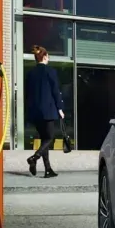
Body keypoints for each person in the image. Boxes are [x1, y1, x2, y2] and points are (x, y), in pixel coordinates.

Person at [25, 44, 65, 178]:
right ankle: (34, 157)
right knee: (49, 137)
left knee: (44, 138)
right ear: (45, 57)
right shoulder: (50, 71)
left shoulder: (30, 73)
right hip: (47, 110)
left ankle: (48, 169)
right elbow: (55, 91)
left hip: (35, 111)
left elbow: (28, 93)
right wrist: (60, 108)